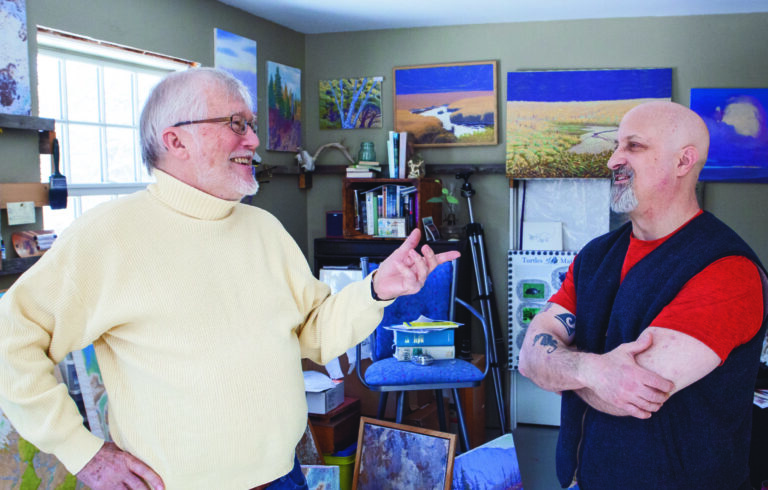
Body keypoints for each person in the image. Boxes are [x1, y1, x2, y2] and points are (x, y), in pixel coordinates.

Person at [0, 67, 460, 490]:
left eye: (253, 124)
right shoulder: (107, 235)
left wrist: (378, 288)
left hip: (283, 477)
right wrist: (84, 454)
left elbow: (315, 333)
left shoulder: (264, 229)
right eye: (236, 124)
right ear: (176, 141)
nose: (254, 140)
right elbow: (11, 338)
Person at [518, 101, 767, 489]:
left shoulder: (727, 271)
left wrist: (561, 365)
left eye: (633, 146)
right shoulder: (596, 256)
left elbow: (629, 393)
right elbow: (529, 356)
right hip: (581, 479)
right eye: (617, 146)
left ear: (683, 162)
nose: (613, 160)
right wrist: (592, 370)